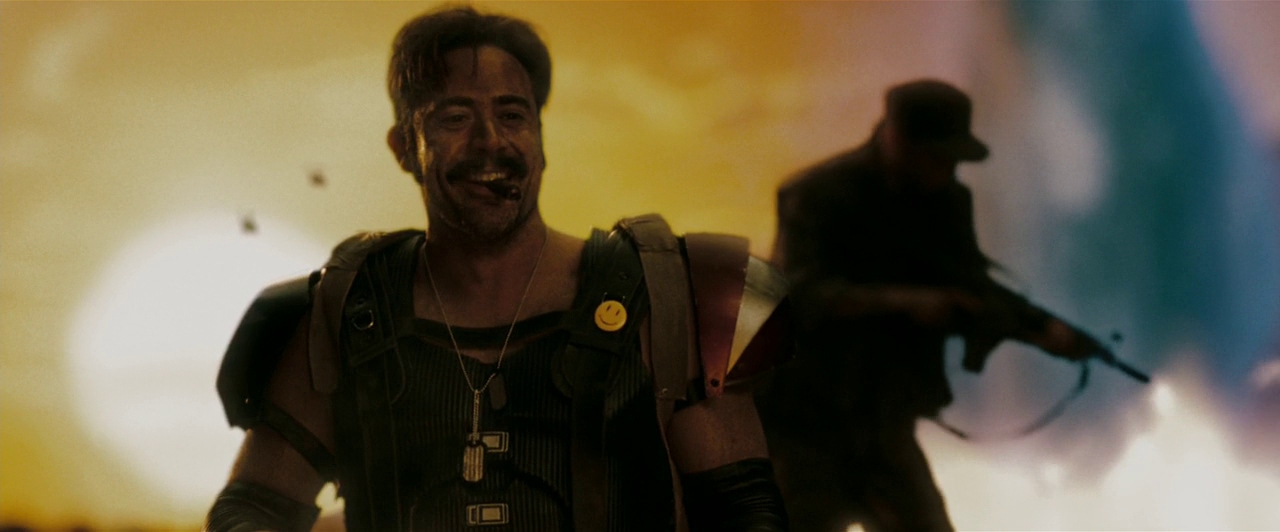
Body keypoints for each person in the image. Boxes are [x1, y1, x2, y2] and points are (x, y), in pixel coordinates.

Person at [205, 7, 791, 532]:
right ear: (404, 147)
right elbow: (253, 507)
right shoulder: (350, 313)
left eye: (513, 115)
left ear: (540, 140)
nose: (491, 142)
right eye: (455, 118)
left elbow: (743, 512)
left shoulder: (661, 302)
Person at [757, 79, 1107, 532]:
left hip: (884, 425)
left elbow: (970, 287)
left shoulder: (947, 202)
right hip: (804, 425)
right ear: (899, 140)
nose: (947, 170)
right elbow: (799, 297)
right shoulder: (816, 195)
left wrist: (1042, 329)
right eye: (938, 157)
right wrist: (904, 303)